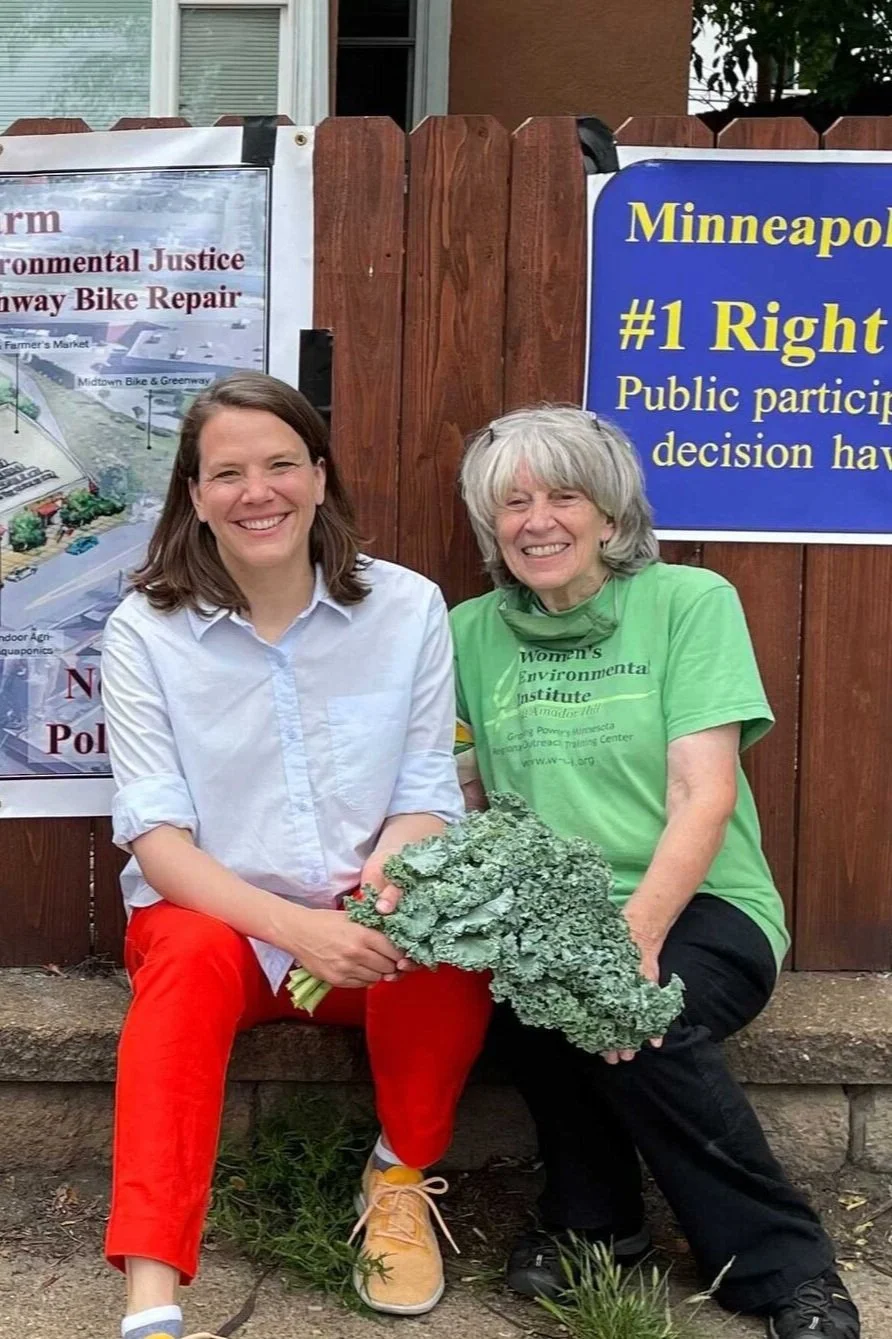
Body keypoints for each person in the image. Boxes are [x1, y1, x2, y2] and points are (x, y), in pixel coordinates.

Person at [450, 405, 860, 1339]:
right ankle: (598, 1222)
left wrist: (632, 937)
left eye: (564, 494)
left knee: (641, 1013)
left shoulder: (689, 603)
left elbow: (703, 792)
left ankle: (784, 1267)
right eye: (513, 502)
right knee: (531, 1001)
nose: (538, 520)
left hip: (705, 901)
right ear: (491, 523)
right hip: (552, 912)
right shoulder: (469, 631)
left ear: (610, 513)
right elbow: (465, 786)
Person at [100, 371, 492, 1339]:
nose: (256, 491)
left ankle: (398, 1178)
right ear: (194, 495)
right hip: (220, 924)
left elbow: (423, 794)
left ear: (320, 476)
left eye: (281, 464)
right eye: (226, 472)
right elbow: (157, 837)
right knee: (185, 961)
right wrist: (291, 927)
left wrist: (387, 881)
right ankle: (151, 1286)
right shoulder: (143, 630)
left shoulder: (406, 608)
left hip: (359, 922)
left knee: (444, 939)